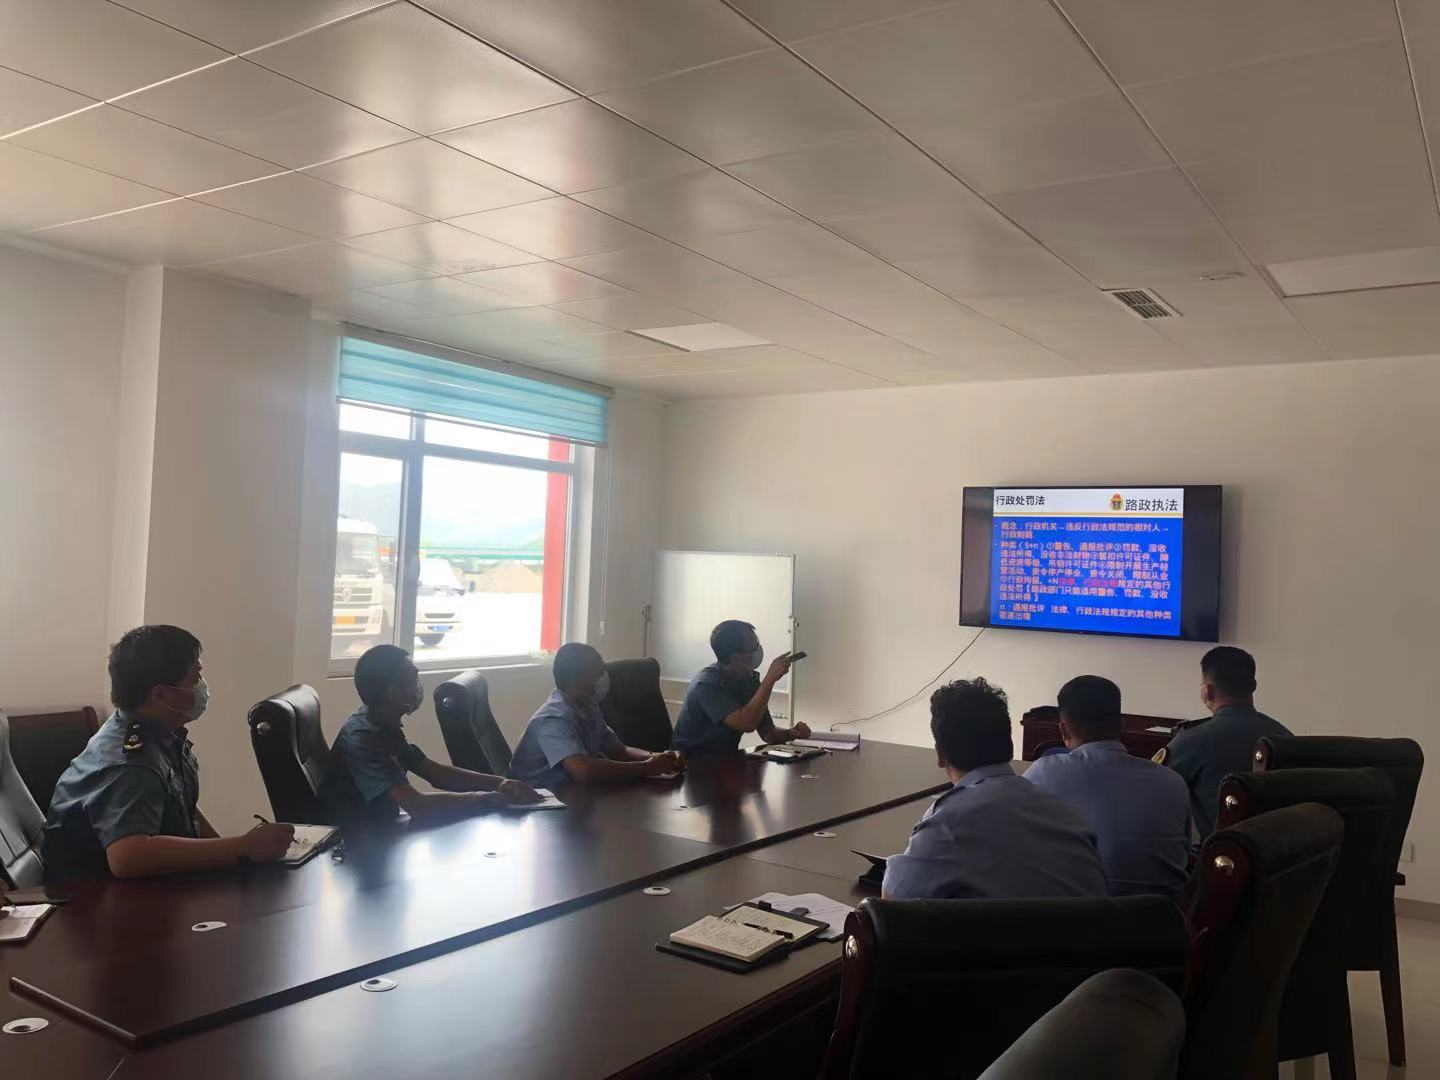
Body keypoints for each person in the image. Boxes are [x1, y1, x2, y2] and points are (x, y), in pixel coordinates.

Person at [41, 625, 296, 882]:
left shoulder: (156, 733)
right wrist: (243, 847)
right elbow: (127, 858)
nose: (202, 686)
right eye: (195, 677)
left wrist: (238, 856)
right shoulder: (131, 764)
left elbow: (182, 810)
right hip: (94, 898)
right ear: (160, 694)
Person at [882, 677, 1107, 901]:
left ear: (940, 755)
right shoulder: (1068, 815)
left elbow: (891, 905)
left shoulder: (948, 825)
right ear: (1009, 744)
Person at [322, 645, 540, 825]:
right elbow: (418, 806)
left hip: (377, 829)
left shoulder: (382, 722)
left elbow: (435, 774)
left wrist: (500, 783)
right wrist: (486, 800)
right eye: (411, 680)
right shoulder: (364, 738)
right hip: (354, 841)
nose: (417, 687)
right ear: (391, 691)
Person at [1022, 676, 1190, 899]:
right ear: (1122, 725)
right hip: (1160, 916)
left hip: (1077, 914)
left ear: (1063, 730)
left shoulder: (1042, 774)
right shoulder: (1172, 782)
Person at [1158, 646, 1292, 837]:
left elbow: (1152, 791)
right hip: (1282, 849)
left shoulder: (1194, 740)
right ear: (1253, 686)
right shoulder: (1284, 736)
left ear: (1207, 691)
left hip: (1221, 852)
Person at [509, 643, 684, 786]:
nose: (604, 678)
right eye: (598, 673)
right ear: (577, 679)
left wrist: (660, 758)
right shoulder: (553, 720)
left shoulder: (588, 706)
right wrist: (646, 767)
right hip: (537, 804)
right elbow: (583, 771)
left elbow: (619, 751)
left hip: (572, 795)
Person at [672, 620, 811, 756]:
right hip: (691, 764)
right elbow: (746, 723)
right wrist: (770, 679)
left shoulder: (749, 681)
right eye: (753, 648)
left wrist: (791, 733)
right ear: (735, 656)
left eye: (757, 644)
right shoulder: (706, 684)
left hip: (726, 761)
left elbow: (768, 733)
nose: (758, 651)